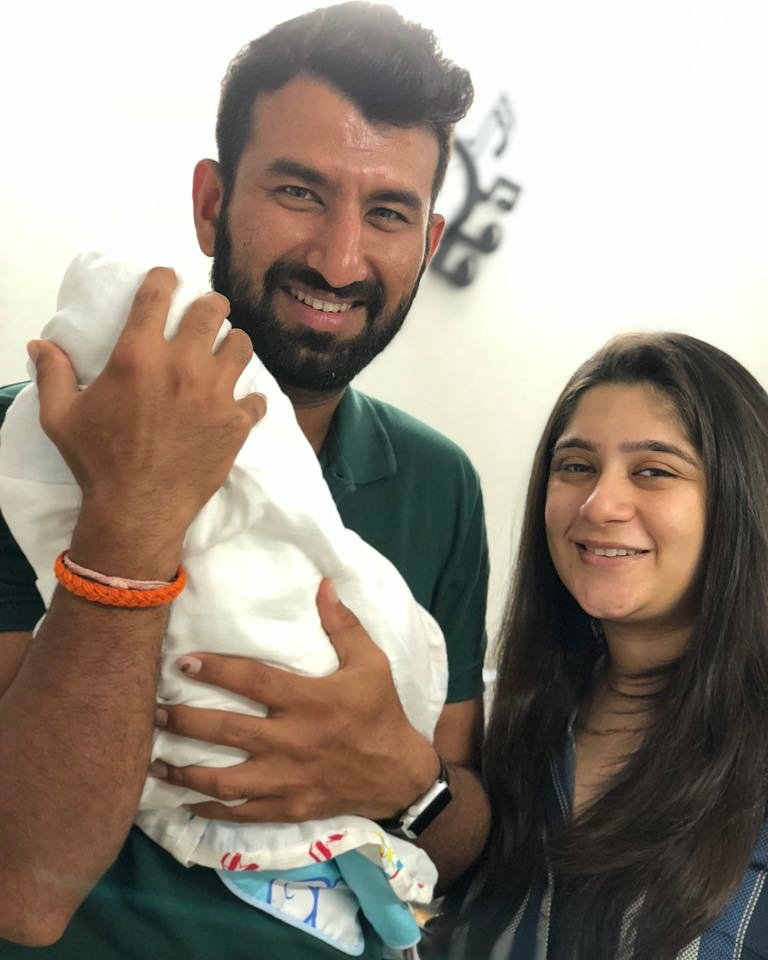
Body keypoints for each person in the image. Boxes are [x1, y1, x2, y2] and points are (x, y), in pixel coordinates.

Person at [0, 4, 491, 958]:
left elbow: (462, 842)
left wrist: (408, 781)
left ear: (428, 243)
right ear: (211, 203)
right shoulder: (26, 443)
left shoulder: (439, 483)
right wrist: (131, 522)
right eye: (301, 192)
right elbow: (24, 887)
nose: (340, 259)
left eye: (388, 213)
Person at [433, 332, 768, 959]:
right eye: (577, 466)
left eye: (653, 471)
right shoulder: (516, 725)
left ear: (743, 498)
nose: (599, 504)